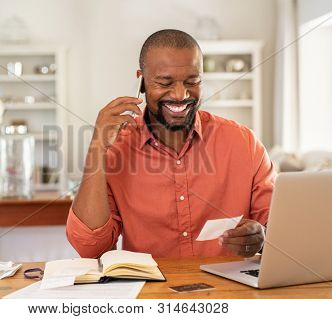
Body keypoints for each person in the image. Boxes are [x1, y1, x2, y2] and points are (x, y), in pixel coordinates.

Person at [66, 29, 276, 258]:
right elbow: (90, 248)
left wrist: (261, 236)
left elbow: (281, 233)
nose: (179, 94)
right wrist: (97, 148)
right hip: (148, 290)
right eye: (164, 82)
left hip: (227, 291)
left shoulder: (243, 143)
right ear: (142, 81)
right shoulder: (115, 148)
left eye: (192, 81)